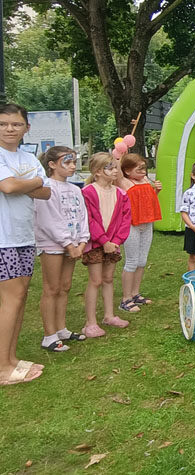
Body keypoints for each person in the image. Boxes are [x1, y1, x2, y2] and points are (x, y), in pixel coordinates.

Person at [0, 103, 51, 385]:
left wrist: (25, 183)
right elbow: (6, 187)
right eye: (3, 124)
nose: (10, 129)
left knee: (20, 298)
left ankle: (11, 358)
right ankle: (1, 367)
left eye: (16, 124)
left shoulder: (26, 157)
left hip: (23, 237)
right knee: (11, 299)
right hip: (3, 238)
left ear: (26, 128)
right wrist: (31, 181)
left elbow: (45, 192)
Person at [34, 146, 89, 352]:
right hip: (52, 244)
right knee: (52, 288)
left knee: (65, 286)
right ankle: (49, 335)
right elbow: (49, 220)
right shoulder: (46, 187)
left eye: (74, 162)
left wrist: (82, 241)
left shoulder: (75, 189)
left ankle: (61, 328)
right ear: (52, 165)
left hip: (74, 244)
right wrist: (67, 243)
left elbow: (83, 216)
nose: (72, 166)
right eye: (67, 162)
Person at [81, 152, 132, 337]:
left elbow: (126, 220)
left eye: (114, 167)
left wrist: (116, 241)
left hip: (113, 244)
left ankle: (109, 315)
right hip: (96, 244)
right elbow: (89, 219)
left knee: (109, 278)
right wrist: (103, 241)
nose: (114, 171)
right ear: (97, 172)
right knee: (96, 280)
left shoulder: (121, 193)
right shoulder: (88, 192)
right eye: (109, 167)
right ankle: (90, 322)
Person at [118, 153, 162, 312]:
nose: (144, 172)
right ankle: (125, 298)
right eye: (140, 168)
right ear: (127, 171)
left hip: (146, 223)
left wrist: (156, 191)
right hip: (132, 225)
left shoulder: (144, 180)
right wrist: (120, 155)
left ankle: (135, 293)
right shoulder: (124, 182)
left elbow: (146, 201)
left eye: (145, 168)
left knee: (142, 260)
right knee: (132, 261)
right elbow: (117, 169)